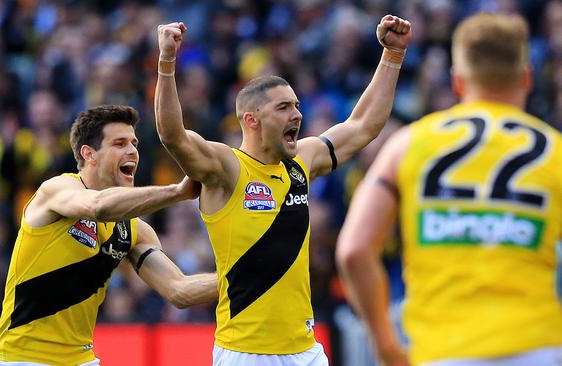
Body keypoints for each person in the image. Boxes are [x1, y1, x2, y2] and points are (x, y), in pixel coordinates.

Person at [155, 15, 411, 365]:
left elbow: (363, 125)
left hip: (305, 350)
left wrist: (392, 55)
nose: (297, 115)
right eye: (284, 107)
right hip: (246, 352)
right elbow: (173, 136)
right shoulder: (227, 168)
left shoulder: (301, 161)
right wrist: (167, 63)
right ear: (251, 120)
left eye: (297, 106)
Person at [336, 12, 562, 366]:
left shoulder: (408, 144)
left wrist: (386, 346)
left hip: (442, 350)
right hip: (539, 347)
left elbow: (354, 250)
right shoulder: (555, 151)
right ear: (527, 79)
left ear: (458, 81)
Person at [0, 105, 218, 365]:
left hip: (81, 359)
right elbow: (98, 207)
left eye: (134, 143)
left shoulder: (134, 230)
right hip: (21, 358)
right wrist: (176, 193)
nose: (132, 151)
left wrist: (248, 277)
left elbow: (180, 290)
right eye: (119, 143)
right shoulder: (57, 190)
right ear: (89, 154)